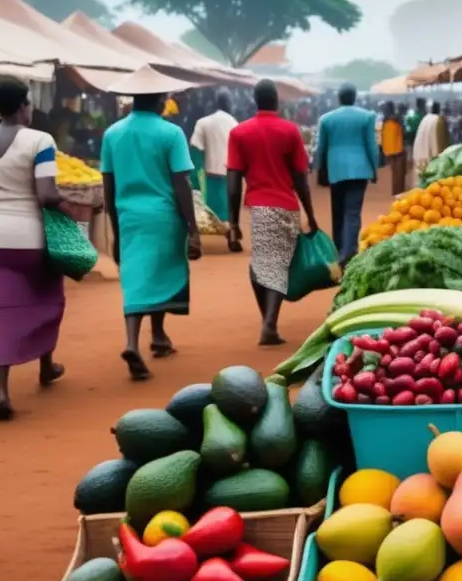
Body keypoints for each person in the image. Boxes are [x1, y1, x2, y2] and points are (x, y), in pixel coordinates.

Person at [0, 77, 67, 420]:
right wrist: (72, 205)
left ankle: (2, 391)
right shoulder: (41, 139)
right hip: (31, 235)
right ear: (25, 104)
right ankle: (46, 366)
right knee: (49, 298)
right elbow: (47, 195)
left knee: (1, 313)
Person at [101, 92, 201, 381]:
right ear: (160, 102)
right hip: (164, 215)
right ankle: (144, 339)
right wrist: (192, 228)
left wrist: (115, 227)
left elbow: (108, 184)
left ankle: (148, 338)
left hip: (128, 216)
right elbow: (181, 181)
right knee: (160, 274)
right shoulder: (171, 133)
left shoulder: (112, 134)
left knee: (136, 277)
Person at [227, 80, 318, 345]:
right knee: (278, 264)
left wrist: (233, 221)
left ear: (254, 101)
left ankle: (268, 320)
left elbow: (233, 180)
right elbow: (300, 178)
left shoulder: (240, 133)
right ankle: (269, 323)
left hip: (258, 207)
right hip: (285, 204)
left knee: (262, 265)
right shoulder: (290, 131)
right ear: (276, 100)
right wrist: (309, 214)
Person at [315, 82, 377, 265]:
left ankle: (338, 249)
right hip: (360, 169)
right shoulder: (367, 117)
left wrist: (319, 168)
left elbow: (321, 148)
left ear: (339, 98)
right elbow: (371, 146)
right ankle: (348, 251)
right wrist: (374, 168)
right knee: (352, 212)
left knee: (338, 210)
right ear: (354, 97)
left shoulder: (326, 119)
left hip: (336, 170)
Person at [190, 92, 239, 229]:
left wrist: (194, 176)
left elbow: (195, 147)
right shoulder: (235, 124)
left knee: (208, 210)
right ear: (230, 104)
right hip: (230, 174)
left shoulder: (203, 122)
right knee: (227, 208)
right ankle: (230, 228)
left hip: (209, 174)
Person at [380, 101, 406, 196]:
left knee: (395, 172)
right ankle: (398, 192)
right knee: (399, 173)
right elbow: (403, 131)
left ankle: (396, 191)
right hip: (398, 149)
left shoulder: (385, 120)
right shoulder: (397, 119)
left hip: (389, 149)